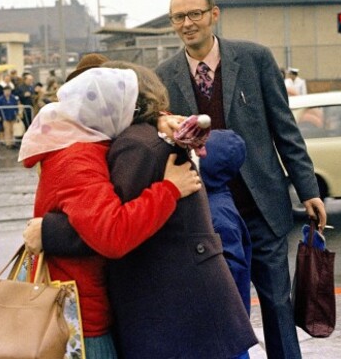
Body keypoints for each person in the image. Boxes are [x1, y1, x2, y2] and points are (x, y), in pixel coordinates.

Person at [25, 61, 258, 358]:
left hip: (172, 315)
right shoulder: (139, 138)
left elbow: (111, 230)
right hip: (185, 310)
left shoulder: (134, 146)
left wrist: (48, 230)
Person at [155, 0, 327, 359]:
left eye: (195, 14)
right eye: (179, 17)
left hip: (261, 207)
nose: (188, 23)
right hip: (206, 216)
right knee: (221, 315)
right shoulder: (163, 75)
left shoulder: (254, 59)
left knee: (278, 305)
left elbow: (285, 129)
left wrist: (309, 189)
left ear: (214, 15)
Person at [199, 129, 253, 359]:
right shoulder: (214, 199)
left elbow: (230, 270)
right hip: (226, 328)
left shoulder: (218, 214)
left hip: (226, 329)